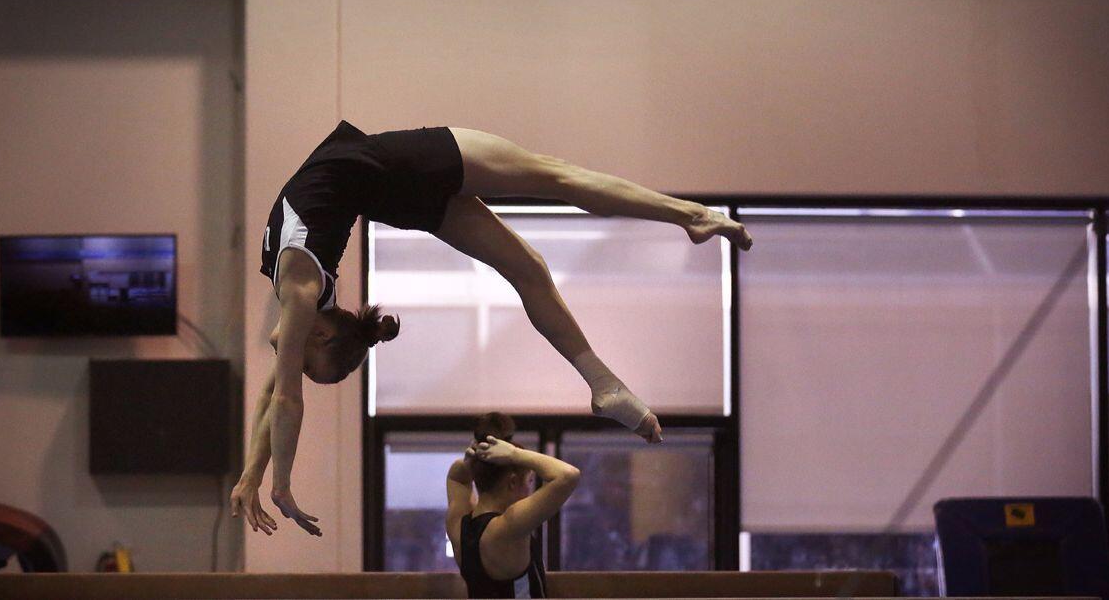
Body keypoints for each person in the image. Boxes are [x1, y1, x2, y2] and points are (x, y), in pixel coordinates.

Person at [231, 121, 753, 536]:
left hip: (399, 186)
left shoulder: (301, 293)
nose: (287, 355)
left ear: (319, 337)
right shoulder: (302, 293)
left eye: (301, 359)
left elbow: (283, 399)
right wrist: (260, 477)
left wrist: (272, 479)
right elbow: (279, 393)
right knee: (553, 185)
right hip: (405, 177)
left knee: (531, 258)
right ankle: (689, 221)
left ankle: (606, 377)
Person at [447, 413, 579, 598]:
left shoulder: (458, 528)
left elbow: (457, 478)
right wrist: (515, 454)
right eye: (530, 481)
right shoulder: (508, 527)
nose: (530, 490)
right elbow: (568, 475)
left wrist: (477, 456)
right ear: (513, 482)